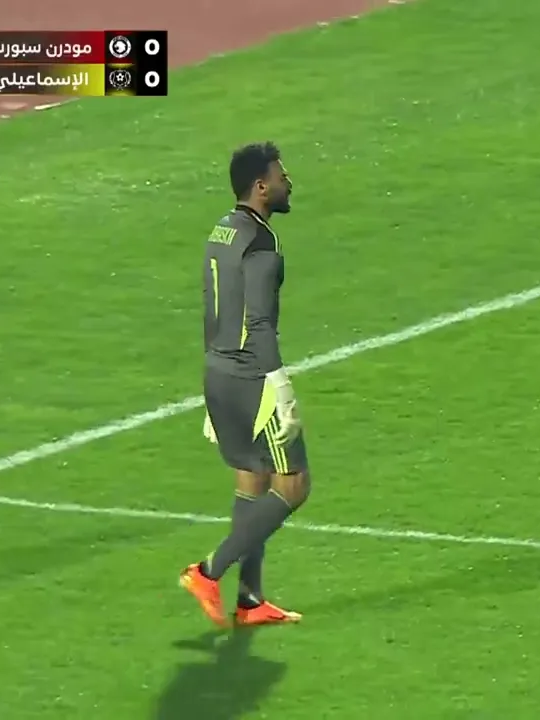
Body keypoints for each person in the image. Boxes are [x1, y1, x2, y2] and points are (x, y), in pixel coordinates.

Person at [179, 141, 312, 627]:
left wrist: (211, 393)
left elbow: (214, 307)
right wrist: (279, 385)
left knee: (253, 478)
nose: (287, 182)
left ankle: (251, 601)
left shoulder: (222, 231)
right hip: (251, 377)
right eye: (280, 176)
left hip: (218, 371)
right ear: (261, 187)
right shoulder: (261, 243)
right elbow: (258, 322)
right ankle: (208, 572)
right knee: (293, 485)